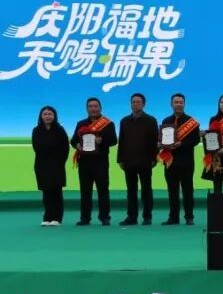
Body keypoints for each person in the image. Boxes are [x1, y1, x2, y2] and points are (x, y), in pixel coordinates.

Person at [70, 97, 116, 226]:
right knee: (85, 191)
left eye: (95, 106)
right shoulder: (81, 123)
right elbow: (73, 141)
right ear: (87, 109)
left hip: (101, 162)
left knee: (103, 190)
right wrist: (77, 145)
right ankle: (85, 218)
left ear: (100, 108)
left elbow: (113, 140)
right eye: (90, 106)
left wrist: (102, 140)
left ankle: (104, 217)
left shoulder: (108, 123)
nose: (93, 108)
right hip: (84, 162)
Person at [158, 93, 200, 226]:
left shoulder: (191, 122)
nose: (179, 104)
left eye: (181, 102)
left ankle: (189, 217)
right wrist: (161, 144)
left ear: (184, 104)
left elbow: (195, 140)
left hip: (186, 161)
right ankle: (173, 217)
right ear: (171, 104)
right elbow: (162, 138)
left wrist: (181, 144)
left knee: (188, 190)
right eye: (176, 102)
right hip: (170, 161)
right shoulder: (166, 121)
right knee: (172, 191)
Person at [117, 92, 158, 225]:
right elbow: (121, 141)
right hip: (128, 161)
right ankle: (132, 217)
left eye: (138, 102)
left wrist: (154, 158)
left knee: (146, 190)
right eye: (133, 102)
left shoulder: (151, 120)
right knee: (131, 191)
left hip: (145, 160)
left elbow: (154, 141)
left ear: (143, 104)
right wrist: (120, 159)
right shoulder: (124, 121)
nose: (135, 104)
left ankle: (147, 216)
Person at [33, 106, 69, 226]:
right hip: (41, 165)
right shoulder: (36, 130)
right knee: (46, 192)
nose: (47, 116)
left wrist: (60, 161)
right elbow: (36, 147)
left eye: (50, 114)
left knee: (56, 192)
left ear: (54, 116)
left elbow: (65, 147)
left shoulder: (60, 130)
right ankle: (47, 217)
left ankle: (57, 218)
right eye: (45, 114)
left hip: (57, 165)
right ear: (41, 116)